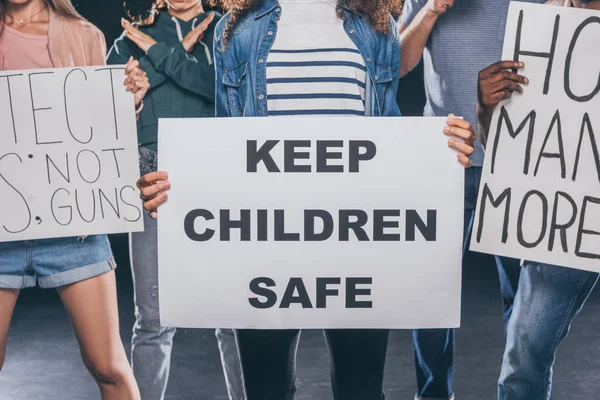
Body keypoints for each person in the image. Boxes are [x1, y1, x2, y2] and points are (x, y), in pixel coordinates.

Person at [136, 0, 476, 398]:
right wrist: (179, 188)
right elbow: (225, 147)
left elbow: (389, 138)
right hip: (263, 247)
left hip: (356, 245)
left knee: (361, 390)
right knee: (266, 391)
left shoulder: (376, 28)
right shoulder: (237, 30)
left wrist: (442, 153)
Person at [397, 0, 547, 398]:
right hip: (446, 156)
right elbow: (398, 64)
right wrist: (432, 10)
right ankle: (431, 395)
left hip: (518, 159)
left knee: (525, 298)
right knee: (431, 291)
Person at [0, 0, 148, 399]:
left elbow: (98, 133)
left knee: (109, 368)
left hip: (73, 226)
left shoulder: (84, 35)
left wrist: (128, 102)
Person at [106, 1, 243, 400]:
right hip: (153, 178)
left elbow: (221, 91)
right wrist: (173, 52)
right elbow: (109, 107)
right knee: (152, 320)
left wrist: (159, 52)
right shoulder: (130, 37)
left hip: (220, 174)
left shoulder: (231, 30)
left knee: (233, 314)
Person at [477, 1, 600, 398]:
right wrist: (485, 106)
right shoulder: (539, 25)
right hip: (572, 215)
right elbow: (507, 150)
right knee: (524, 353)